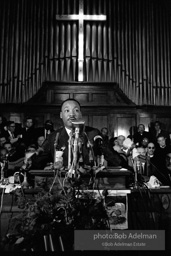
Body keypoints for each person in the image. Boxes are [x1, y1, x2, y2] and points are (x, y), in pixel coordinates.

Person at [31, 99, 127, 170]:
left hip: (90, 183)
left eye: (76, 110)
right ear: (61, 115)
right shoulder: (53, 137)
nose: (71, 114)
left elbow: (115, 160)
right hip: (61, 185)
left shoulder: (93, 133)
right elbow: (37, 163)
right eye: (67, 111)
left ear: (80, 114)